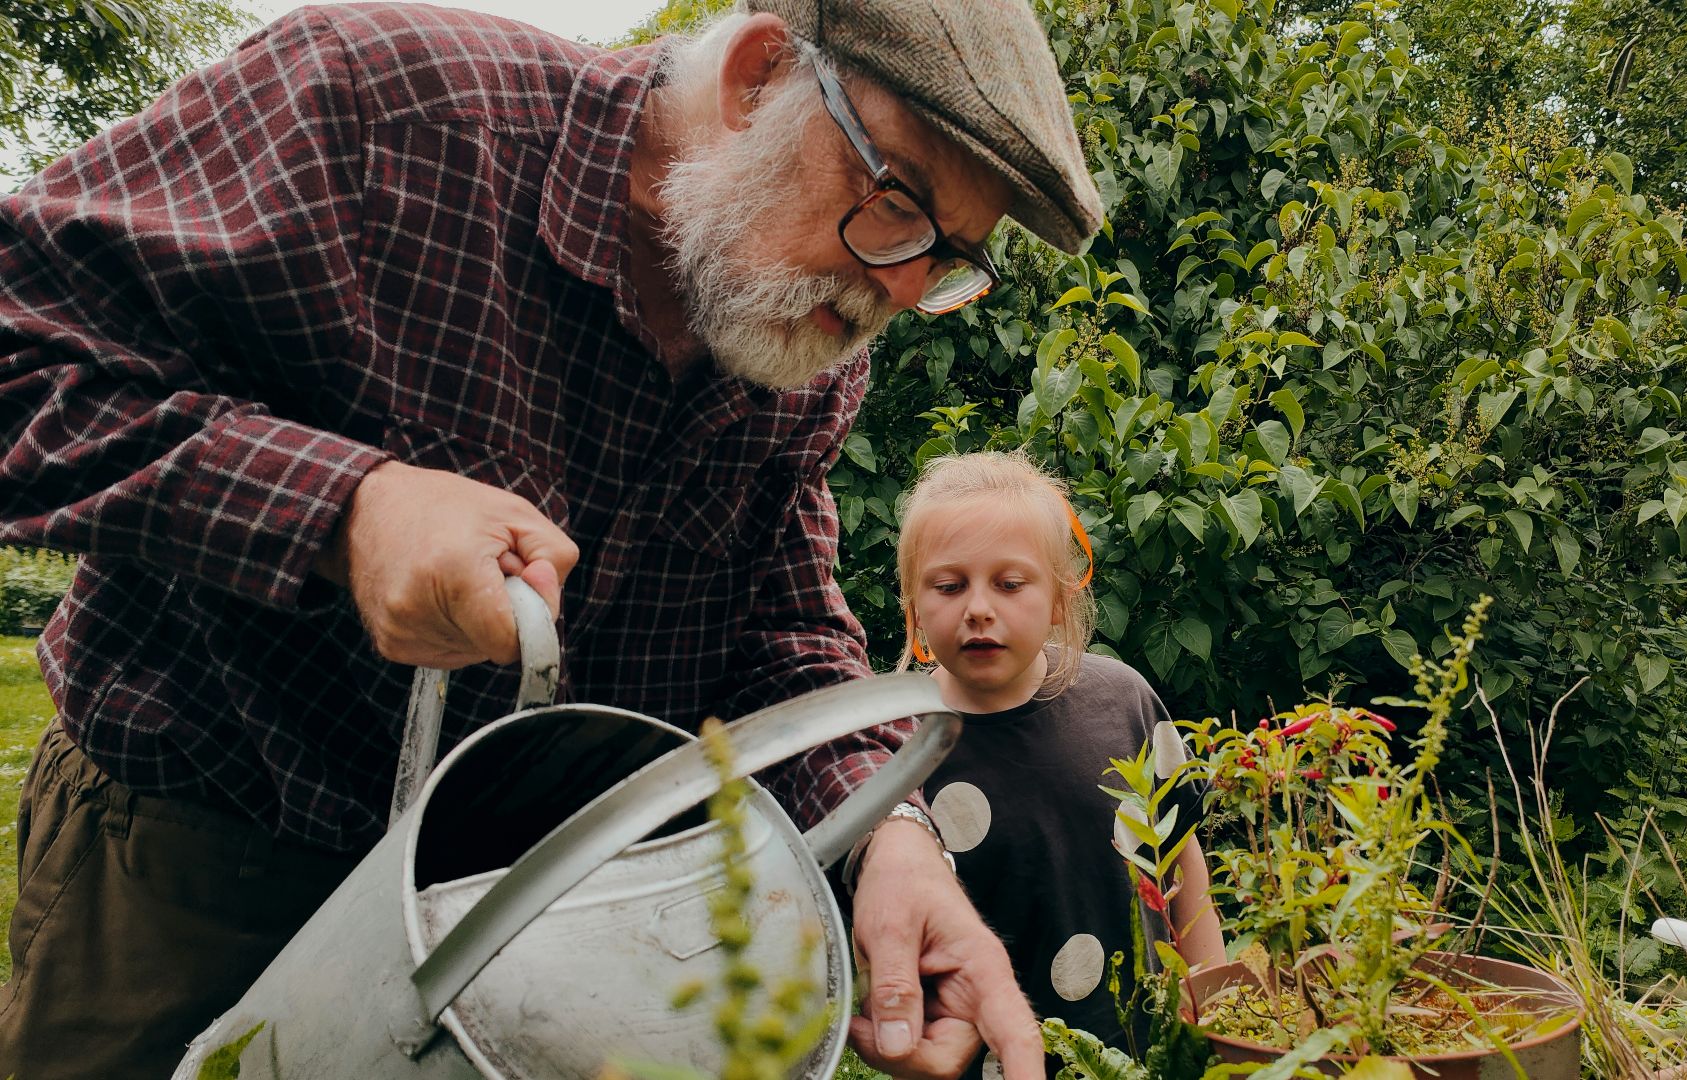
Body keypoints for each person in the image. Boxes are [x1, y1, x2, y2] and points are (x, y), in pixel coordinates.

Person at [0, 1, 1104, 1076]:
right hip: (193, 864)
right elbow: (24, 348)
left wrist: (888, 834)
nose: (900, 285)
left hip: (521, 919)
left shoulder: (801, 337)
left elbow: (777, 628)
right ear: (758, 77)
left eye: (949, 254)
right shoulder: (389, 109)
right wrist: (348, 510)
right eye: (897, 199)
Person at [892, 452, 1227, 1071]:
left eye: (1010, 583)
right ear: (914, 605)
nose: (978, 608)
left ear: (1058, 600)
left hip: (1141, 1048)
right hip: (982, 1063)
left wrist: (1209, 995)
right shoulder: (893, 744)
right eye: (949, 585)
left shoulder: (1122, 701)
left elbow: (1181, 859)